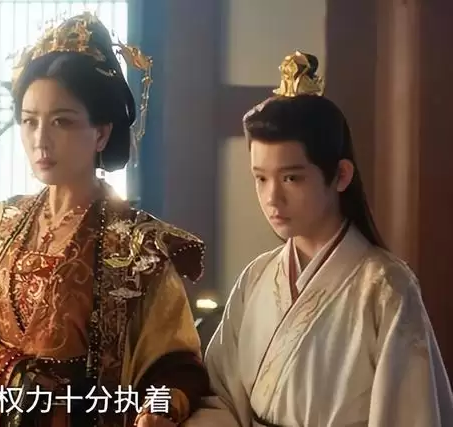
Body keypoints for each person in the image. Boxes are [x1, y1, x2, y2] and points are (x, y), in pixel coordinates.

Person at [0, 12, 210, 427]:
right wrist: (7, 373)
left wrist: (162, 407)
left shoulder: (139, 248)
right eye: (29, 121)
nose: (41, 140)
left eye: (62, 121)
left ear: (101, 133)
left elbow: (176, 364)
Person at [184, 51, 453, 427]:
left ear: (341, 175)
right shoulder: (256, 278)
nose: (272, 198)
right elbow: (219, 395)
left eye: (291, 178)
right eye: (261, 178)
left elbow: (408, 415)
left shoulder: (386, 288)